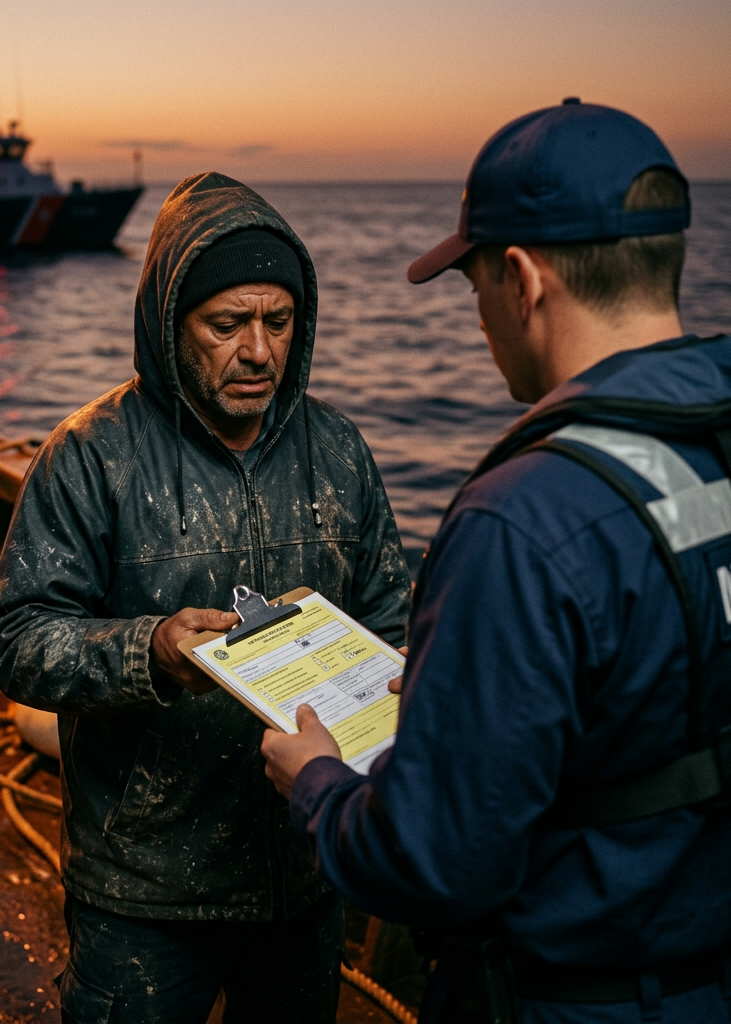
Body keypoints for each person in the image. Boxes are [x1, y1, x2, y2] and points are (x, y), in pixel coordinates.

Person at [260, 100, 731, 1023]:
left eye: (472, 284)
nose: (477, 318)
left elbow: (430, 866)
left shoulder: (522, 521)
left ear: (522, 279)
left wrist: (314, 781)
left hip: (573, 998)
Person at [0, 171, 411, 1023]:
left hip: (306, 872)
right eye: (226, 325)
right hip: (143, 893)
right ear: (169, 325)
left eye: (278, 322)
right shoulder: (90, 456)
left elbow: (392, 620)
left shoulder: (340, 451)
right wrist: (149, 652)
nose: (259, 351)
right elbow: (16, 638)